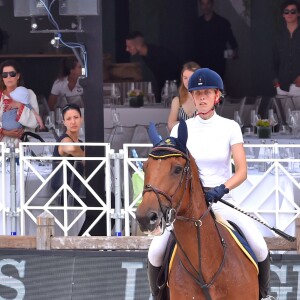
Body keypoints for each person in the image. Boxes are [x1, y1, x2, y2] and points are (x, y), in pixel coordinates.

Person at [147, 68, 274, 300]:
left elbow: (242, 171)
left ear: (217, 96)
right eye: (197, 93)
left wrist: (221, 189)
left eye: (207, 92)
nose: (202, 97)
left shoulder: (229, 127)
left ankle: (264, 295)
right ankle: (158, 295)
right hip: (187, 206)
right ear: (192, 97)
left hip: (222, 200)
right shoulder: (180, 130)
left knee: (259, 246)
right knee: (155, 251)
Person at [125, 31, 181, 102]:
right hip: (165, 94)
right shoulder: (145, 56)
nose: (126, 49)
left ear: (138, 46)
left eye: (129, 46)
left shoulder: (159, 54)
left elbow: (174, 73)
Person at [193, 0, 238, 79]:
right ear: (200, 5)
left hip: (218, 67)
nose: (206, 7)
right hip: (201, 66)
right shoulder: (197, 24)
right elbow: (193, 46)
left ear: (212, 4)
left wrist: (233, 53)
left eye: (208, 3)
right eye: (203, 4)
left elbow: (233, 44)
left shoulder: (222, 23)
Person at [0, 59, 39, 145]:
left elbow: (35, 121)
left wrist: (19, 105)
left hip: (24, 143)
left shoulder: (29, 94)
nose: (8, 77)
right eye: (4, 75)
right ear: (2, 78)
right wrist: (5, 132)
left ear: (18, 76)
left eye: (12, 74)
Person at [273, 0, 300, 111]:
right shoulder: (278, 35)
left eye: (293, 12)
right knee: (284, 119)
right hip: (282, 85)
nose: (289, 14)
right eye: (287, 12)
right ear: (283, 14)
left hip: (298, 85)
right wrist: (275, 79)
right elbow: (274, 58)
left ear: (298, 13)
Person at [167, 61, 200, 131]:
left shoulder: (205, 100)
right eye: (185, 78)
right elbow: (170, 125)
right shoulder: (177, 101)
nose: (188, 81)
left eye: (191, 78)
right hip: (181, 141)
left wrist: (182, 124)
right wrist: (193, 125)